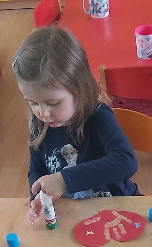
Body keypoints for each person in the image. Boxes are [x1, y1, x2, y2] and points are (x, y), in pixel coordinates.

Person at [11, 27, 140, 223]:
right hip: (74, 217)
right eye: (33, 103)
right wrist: (38, 195)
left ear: (79, 89)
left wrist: (64, 180)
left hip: (118, 210)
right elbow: (37, 169)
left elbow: (126, 161)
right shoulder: (40, 125)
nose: (43, 113)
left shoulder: (98, 117)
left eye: (53, 103)